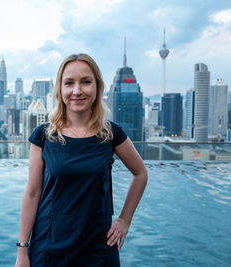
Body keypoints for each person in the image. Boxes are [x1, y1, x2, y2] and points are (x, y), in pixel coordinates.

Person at [15, 53, 148, 267]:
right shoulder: (43, 136)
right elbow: (32, 193)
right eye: (69, 83)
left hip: (98, 248)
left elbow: (141, 173)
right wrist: (22, 251)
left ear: (97, 87)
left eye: (86, 82)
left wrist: (125, 220)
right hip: (49, 247)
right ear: (60, 89)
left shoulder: (111, 134)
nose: (77, 91)